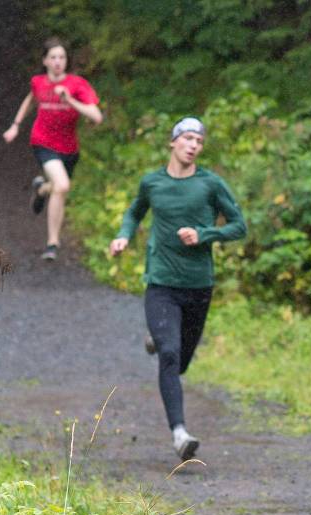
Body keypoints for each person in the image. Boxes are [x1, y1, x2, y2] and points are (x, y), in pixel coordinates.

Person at [109, 117, 246, 461]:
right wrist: (124, 236)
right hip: (161, 282)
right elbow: (134, 212)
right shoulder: (152, 182)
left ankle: (160, 338)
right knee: (169, 355)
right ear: (173, 142)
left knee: (179, 363)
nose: (193, 145)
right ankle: (180, 434)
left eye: (198, 141)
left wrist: (205, 234)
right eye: (187, 138)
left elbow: (239, 226)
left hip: (198, 285)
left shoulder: (210, 184)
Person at [3, 37, 102, 260]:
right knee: (63, 185)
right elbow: (30, 100)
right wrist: (15, 125)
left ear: (67, 61)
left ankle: (41, 189)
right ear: (45, 61)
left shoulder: (77, 85)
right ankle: (52, 243)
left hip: (69, 148)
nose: (58, 62)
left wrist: (70, 100)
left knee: (58, 187)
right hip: (43, 142)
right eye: (53, 57)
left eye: (62, 57)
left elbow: (96, 117)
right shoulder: (38, 82)